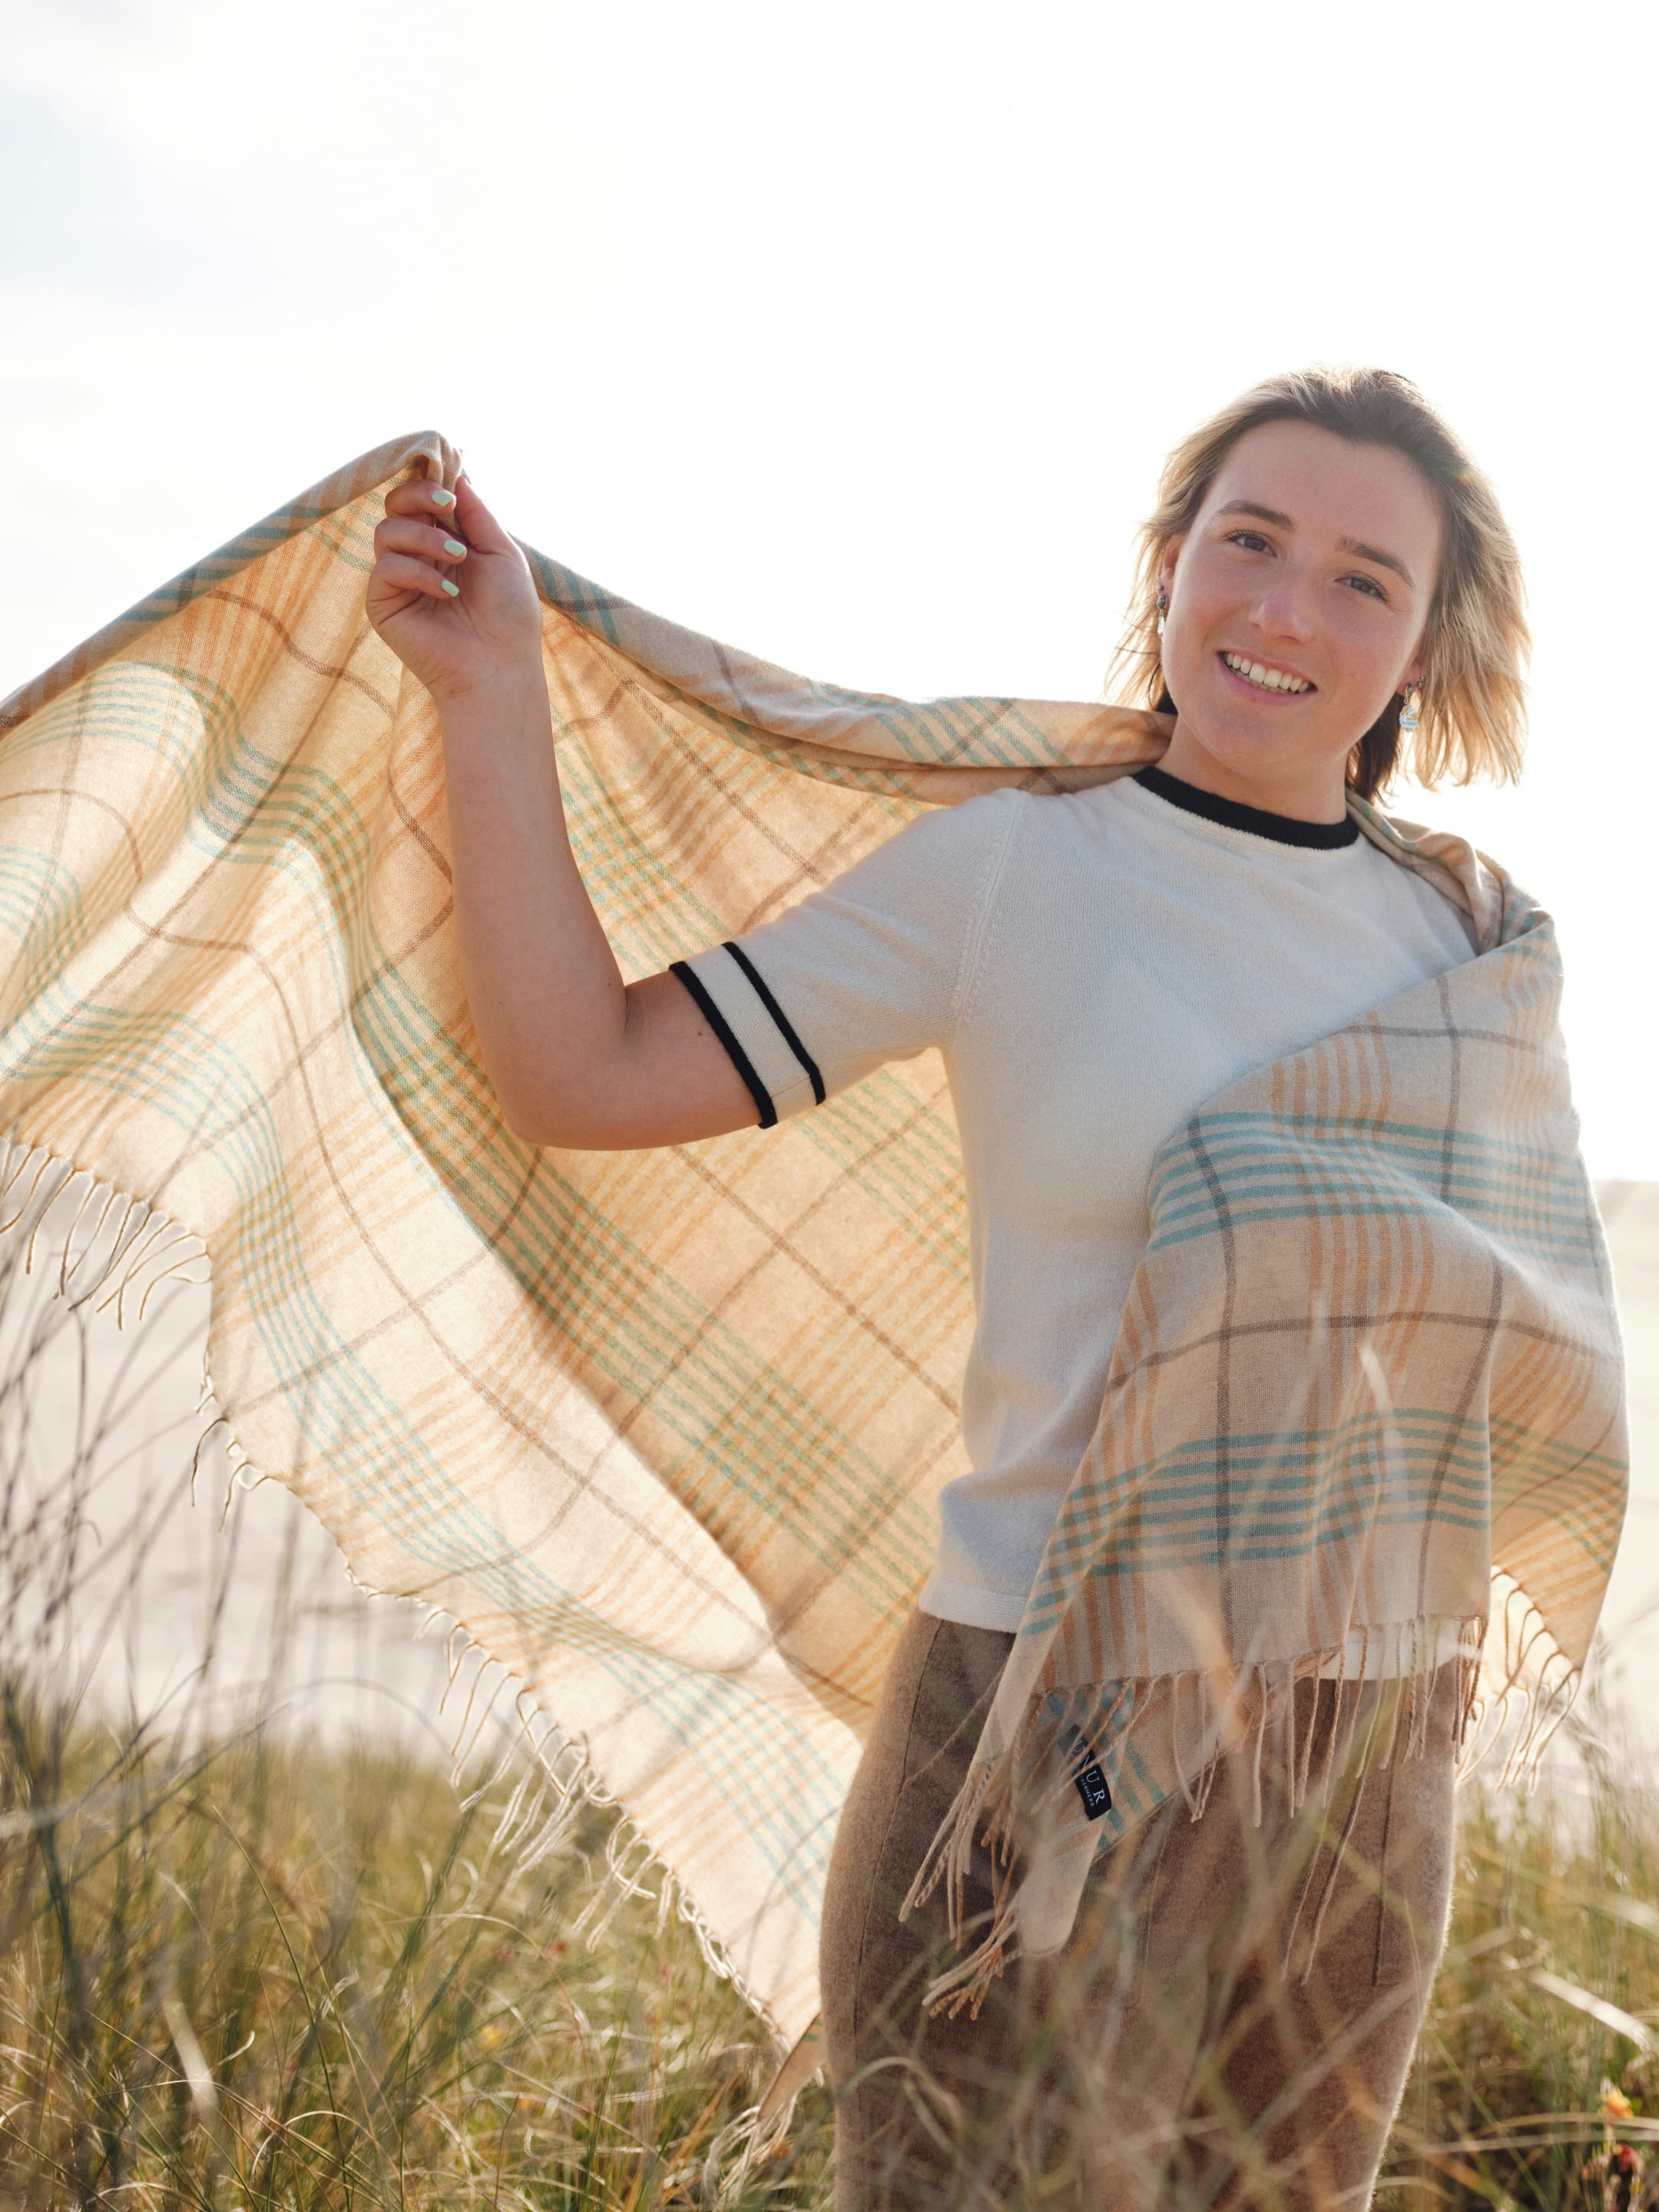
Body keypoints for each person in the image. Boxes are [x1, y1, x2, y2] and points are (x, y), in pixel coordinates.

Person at [366, 366, 1532, 2208]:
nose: (1289, 610)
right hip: (1042, 1725)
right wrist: (489, 693)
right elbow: (581, 1071)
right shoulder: (1016, 874)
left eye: (1363, 579)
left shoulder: (1468, 949)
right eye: (1251, 541)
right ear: (1168, 565)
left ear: (1428, 642)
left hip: (1358, 1752)